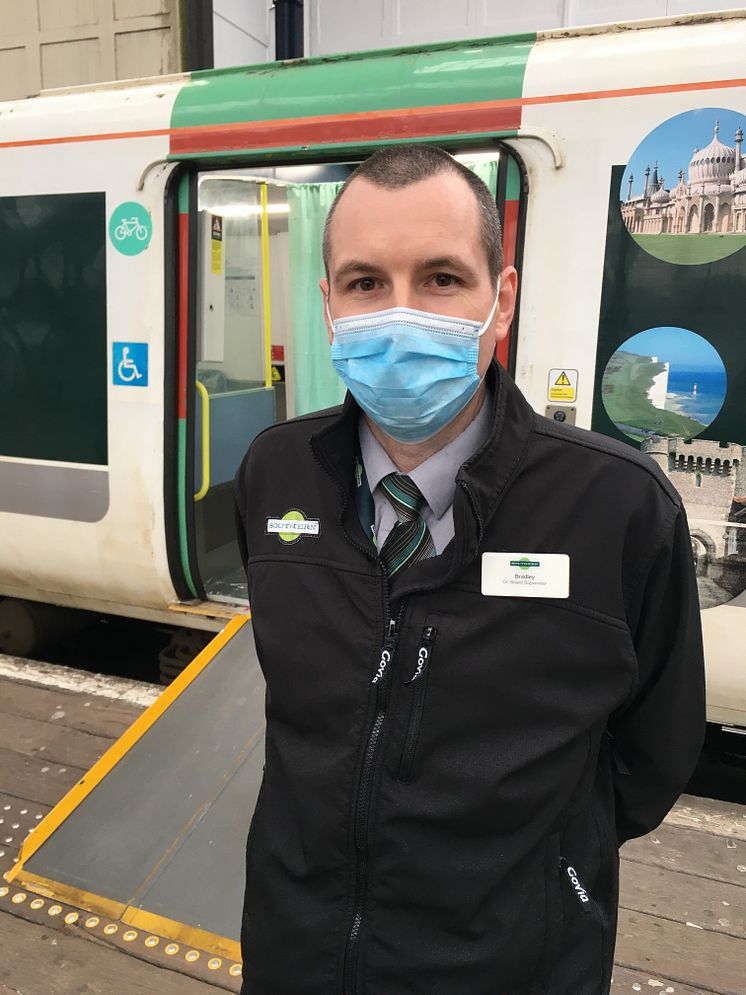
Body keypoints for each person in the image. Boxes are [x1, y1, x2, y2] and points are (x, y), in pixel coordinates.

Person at [234, 144, 705, 995]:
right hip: (295, 953)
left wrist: (547, 874)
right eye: (366, 282)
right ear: (329, 305)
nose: (399, 314)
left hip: (513, 966)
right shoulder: (276, 472)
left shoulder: (619, 507)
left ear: (503, 299)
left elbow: (657, 753)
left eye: (442, 279)